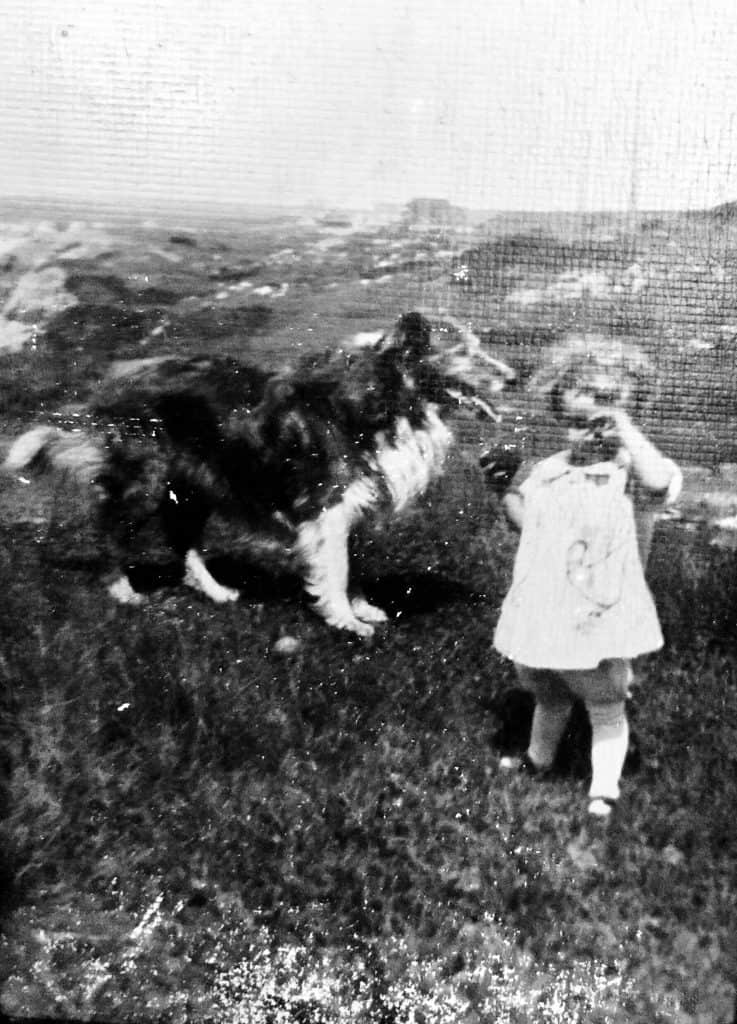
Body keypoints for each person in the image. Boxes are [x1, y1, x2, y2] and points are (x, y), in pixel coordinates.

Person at [485, 336, 682, 818]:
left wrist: (626, 433)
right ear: (560, 421)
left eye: (600, 424)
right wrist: (500, 490)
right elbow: (523, 518)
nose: (588, 436)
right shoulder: (550, 471)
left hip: (598, 608)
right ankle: (539, 759)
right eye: (574, 424)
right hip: (547, 601)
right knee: (545, 688)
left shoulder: (626, 472)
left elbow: (661, 481)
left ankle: (604, 787)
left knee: (604, 697)